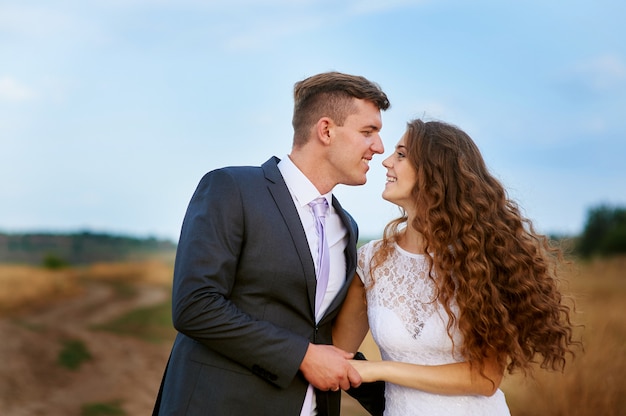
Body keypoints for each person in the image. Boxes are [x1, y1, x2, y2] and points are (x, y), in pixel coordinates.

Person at [152, 71, 391, 416]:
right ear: (326, 130)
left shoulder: (347, 227)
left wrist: (404, 404)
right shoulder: (232, 188)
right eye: (368, 132)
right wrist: (302, 356)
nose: (379, 147)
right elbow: (195, 306)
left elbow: (320, 333)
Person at [333, 119, 580, 415]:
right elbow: (337, 354)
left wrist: (382, 370)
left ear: (434, 173)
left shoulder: (478, 260)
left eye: (401, 154)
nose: (386, 161)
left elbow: (485, 378)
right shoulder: (371, 261)